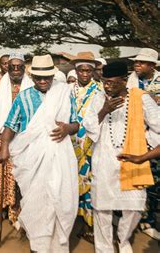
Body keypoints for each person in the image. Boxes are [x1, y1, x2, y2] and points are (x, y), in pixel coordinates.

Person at [0, 54, 79, 252]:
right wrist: (3, 147)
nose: (43, 81)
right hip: (31, 159)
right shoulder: (24, 96)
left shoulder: (64, 93)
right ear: (32, 76)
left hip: (60, 156)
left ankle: (57, 245)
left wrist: (68, 128)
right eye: (39, 78)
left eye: (47, 77)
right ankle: (39, 245)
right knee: (36, 202)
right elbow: (10, 125)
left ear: (53, 76)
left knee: (59, 199)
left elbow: (77, 123)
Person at [83, 61, 159, 252]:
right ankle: (104, 248)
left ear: (125, 80)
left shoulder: (141, 98)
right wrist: (104, 110)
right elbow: (88, 127)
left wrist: (144, 153)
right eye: (104, 82)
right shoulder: (99, 98)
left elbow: (158, 127)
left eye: (112, 82)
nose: (107, 86)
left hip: (133, 162)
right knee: (102, 209)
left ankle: (123, 240)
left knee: (133, 208)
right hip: (104, 162)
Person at [0, 53, 33, 226]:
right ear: (7, 68)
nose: (15, 70)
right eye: (12, 67)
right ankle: (0, 207)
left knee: (20, 177)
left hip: (25, 139)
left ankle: (17, 211)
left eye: (19, 67)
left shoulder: (32, 85)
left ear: (24, 68)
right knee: (0, 174)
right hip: (1, 137)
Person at [68, 52, 103, 243]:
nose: (84, 74)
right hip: (70, 144)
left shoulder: (100, 90)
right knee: (70, 181)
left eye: (88, 70)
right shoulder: (67, 90)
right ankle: (72, 220)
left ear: (93, 71)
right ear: (76, 70)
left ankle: (89, 225)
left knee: (90, 182)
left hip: (91, 144)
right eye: (81, 70)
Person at [126, 48, 159, 239]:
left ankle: (149, 221)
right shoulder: (131, 80)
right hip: (136, 136)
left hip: (156, 139)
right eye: (136, 62)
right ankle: (139, 219)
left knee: (153, 184)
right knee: (136, 180)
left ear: (152, 66)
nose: (137, 65)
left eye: (142, 63)